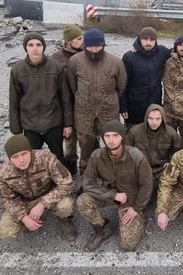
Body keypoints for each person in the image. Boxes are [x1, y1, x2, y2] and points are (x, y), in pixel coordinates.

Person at [77, 120, 154, 252]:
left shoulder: (136, 156)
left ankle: (140, 218)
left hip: (129, 201)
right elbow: (87, 183)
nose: (111, 140)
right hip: (110, 196)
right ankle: (102, 228)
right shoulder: (96, 155)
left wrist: (136, 208)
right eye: (107, 136)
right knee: (83, 201)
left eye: (115, 136)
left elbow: (147, 184)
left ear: (122, 137)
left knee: (127, 245)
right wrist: (113, 195)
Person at [67, 28, 127, 174]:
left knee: (112, 145)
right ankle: (87, 175)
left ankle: (112, 174)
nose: (94, 49)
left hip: (108, 112)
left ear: (103, 45)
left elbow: (121, 86)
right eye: (90, 46)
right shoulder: (75, 61)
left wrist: (108, 100)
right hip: (84, 113)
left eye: (98, 46)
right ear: (84, 45)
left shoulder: (115, 62)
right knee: (86, 147)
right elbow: (73, 85)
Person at [120, 27, 183, 129]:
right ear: (139, 39)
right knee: (132, 135)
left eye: (152, 40)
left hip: (155, 107)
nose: (148, 43)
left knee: (154, 134)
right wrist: (123, 107)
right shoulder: (129, 57)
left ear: (156, 41)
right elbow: (122, 84)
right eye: (145, 39)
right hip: (134, 108)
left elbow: (181, 51)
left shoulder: (162, 52)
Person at [9, 32, 73, 166]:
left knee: (58, 158)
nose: (35, 48)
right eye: (30, 45)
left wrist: (68, 123)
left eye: (38, 45)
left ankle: (63, 178)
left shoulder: (56, 67)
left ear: (43, 47)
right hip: (30, 126)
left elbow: (65, 98)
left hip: (53, 123)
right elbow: (14, 101)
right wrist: (16, 130)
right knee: (31, 161)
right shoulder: (17, 70)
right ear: (26, 48)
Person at [0, 135, 76, 241]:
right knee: (6, 232)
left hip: (50, 194)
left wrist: (42, 204)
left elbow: (67, 183)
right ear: (10, 159)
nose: (21, 160)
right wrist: (23, 217)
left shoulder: (46, 158)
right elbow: (8, 199)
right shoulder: (4, 173)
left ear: (30, 151)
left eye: (24, 154)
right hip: (26, 201)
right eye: (15, 157)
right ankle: (29, 223)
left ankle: (65, 220)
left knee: (65, 206)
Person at [50, 24, 84, 173]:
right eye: (79, 38)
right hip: (65, 106)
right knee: (69, 141)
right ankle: (71, 169)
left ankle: (89, 169)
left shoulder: (87, 54)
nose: (82, 41)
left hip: (84, 105)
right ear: (69, 41)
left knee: (88, 140)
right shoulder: (55, 59)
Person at [125, 104, 183, 184]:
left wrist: (170, 161)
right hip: (141, 168)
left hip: (162, 168)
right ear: (146, 118)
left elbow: (179, 150)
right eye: (151, 118)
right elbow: (126, 150)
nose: (154, 122)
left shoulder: (171, 133)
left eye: (158, 119)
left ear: (163, 119)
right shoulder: (134, 132)